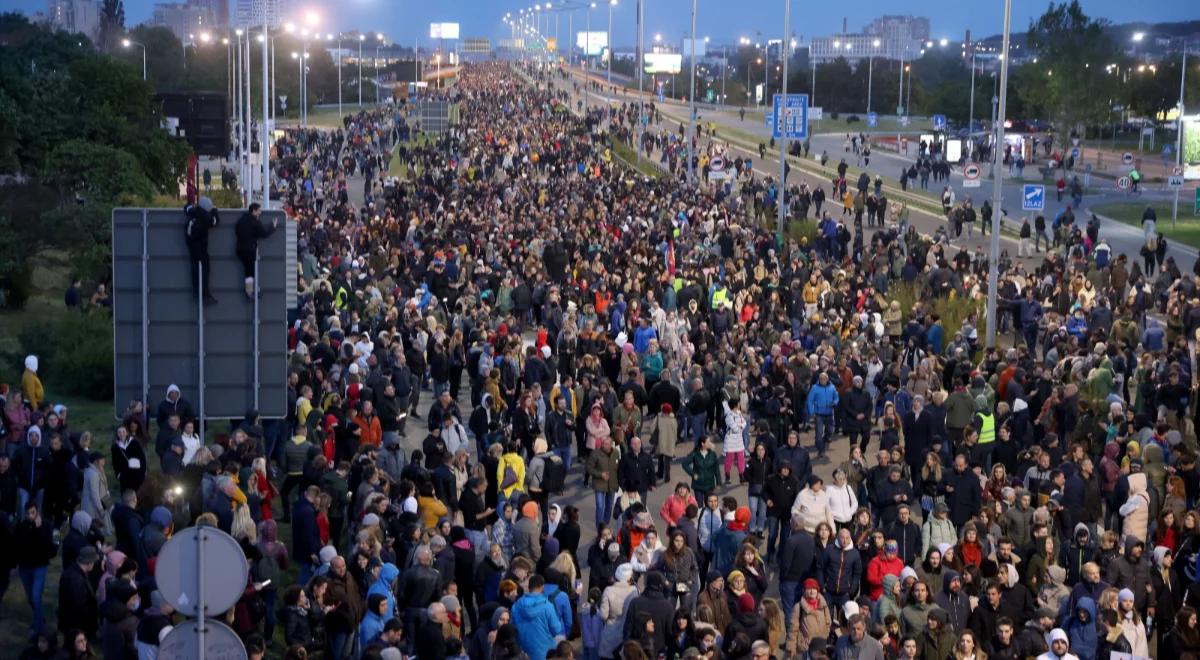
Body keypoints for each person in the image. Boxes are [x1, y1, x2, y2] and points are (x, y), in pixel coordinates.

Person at [512, 574, 565, 660]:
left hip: (524, 653)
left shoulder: (516, 606)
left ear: (529, 587)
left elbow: (513, 630)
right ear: (542, 587)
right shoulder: (547, 606)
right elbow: (556, 630)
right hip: (546, 653)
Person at [234, 202, 279, 299]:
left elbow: (237, 230)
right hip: (249, 250)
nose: (260, 212)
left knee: (248, 270)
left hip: (239, 249)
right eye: (259, 211)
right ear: (254, 210)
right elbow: (264, 233)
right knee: (250, 272)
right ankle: (249, 292)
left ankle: (249, 291)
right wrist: (273, 227)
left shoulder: (242, 219)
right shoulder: (255, 222)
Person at [184, 196, 220, 305]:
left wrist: (191, 205)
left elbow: (186, 207)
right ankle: (205, 294)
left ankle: (196, 292)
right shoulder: (206, 217)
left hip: (190, 243)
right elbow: (215, 221)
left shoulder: (192, 211)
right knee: (205, 269)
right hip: (200, 246)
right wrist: (214, 210)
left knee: (195, 268)